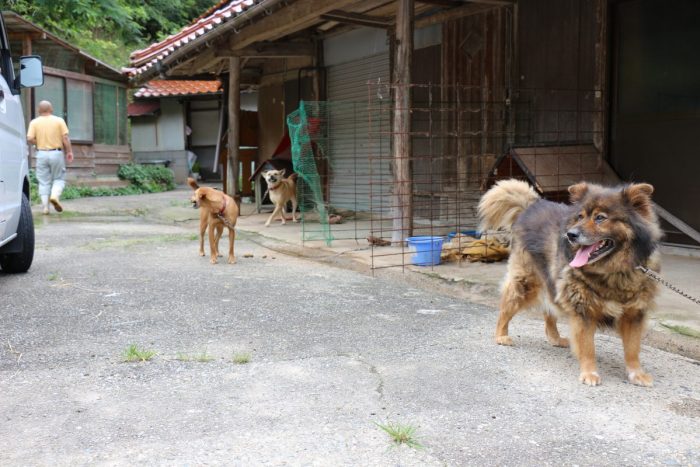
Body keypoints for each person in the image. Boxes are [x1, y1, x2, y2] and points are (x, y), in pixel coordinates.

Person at [26, 100, 74, 214]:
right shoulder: (59, 121)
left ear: (39, 110)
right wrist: (69, 151)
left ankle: (45, 207)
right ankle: (54, 196)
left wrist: (38, 143)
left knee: (43, 181)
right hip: (56, 153)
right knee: (59, 178)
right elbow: (65, 138)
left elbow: (29, 138)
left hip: (41, 154)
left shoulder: (34, 122)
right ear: (51, 109)